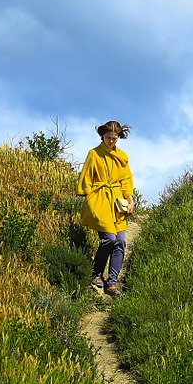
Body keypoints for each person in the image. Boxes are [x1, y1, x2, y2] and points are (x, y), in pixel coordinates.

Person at [77, 120, 135, 297]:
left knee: (120, 242)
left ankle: (111, 284)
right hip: (100, 200)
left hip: (117, 201)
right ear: (102, 136)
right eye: (109, 138)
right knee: (109, 239)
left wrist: (130, 200)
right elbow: (86, 178)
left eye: (115, 139)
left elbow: (126, 180)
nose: (111, 141)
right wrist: (90, 198)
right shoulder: (93, 154)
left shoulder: (122, 157)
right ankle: (96, 274)